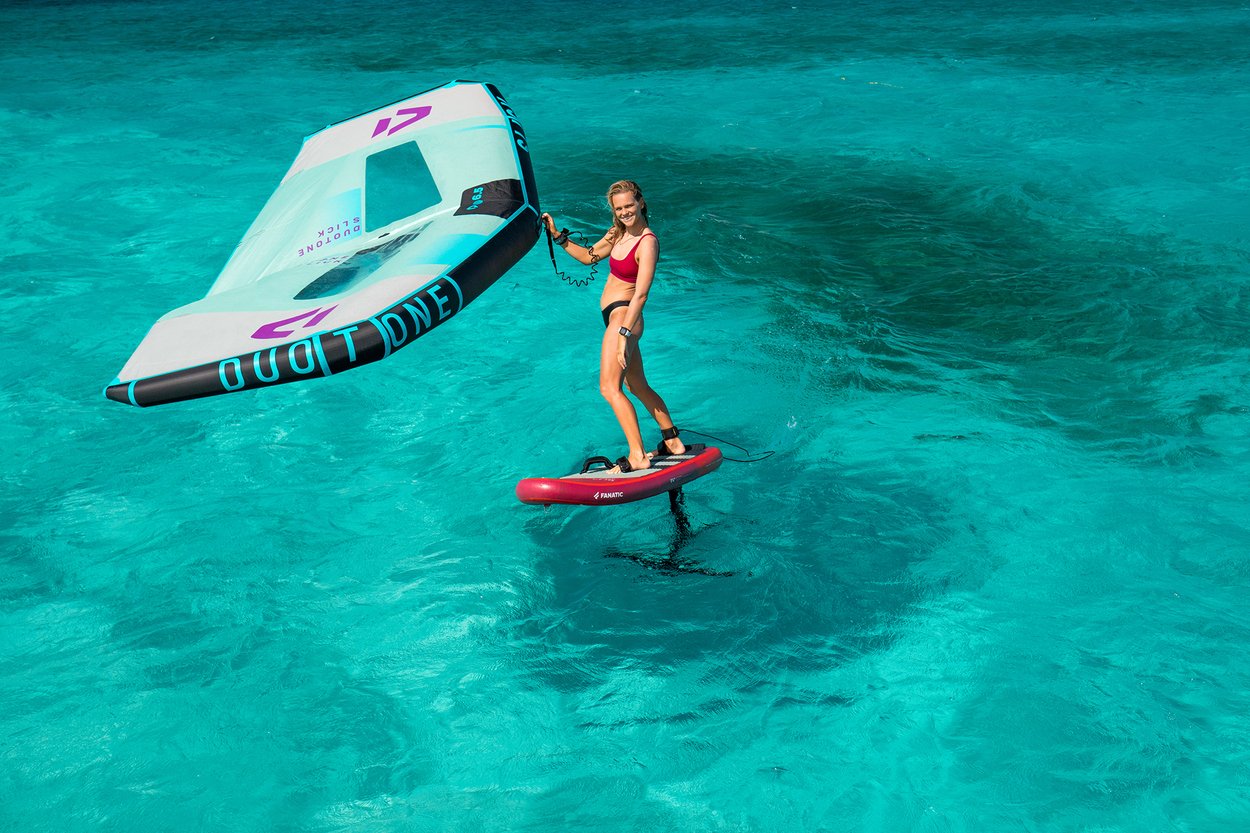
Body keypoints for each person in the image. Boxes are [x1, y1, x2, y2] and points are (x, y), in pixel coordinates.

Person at [542, 180, 687, 472]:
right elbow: (588, 257)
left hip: (624, 319)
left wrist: (623, 334)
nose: (625, 212)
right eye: (619, 208)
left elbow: (641, 294)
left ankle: (638, 455)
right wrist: (558, 236)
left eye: (629, 206)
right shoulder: (617, 233)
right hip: (616, 319)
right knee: (636, 385)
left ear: (641, 202)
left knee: (610, 388)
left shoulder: (647, 242)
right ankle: (672, 440)